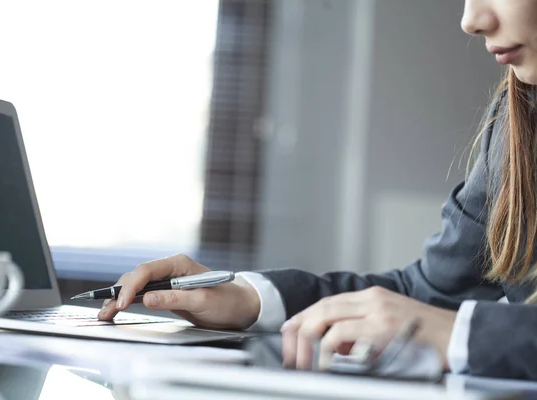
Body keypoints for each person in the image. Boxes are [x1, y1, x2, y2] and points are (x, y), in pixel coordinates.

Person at [99, 0, 537, 380]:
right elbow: (427, 293)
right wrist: (247, 299)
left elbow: (435, 318)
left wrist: (456, 333)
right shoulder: (518, 124)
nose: (471, 20)